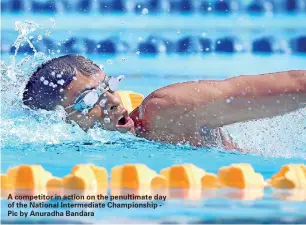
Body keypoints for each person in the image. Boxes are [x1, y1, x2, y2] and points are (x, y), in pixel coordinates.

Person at [22, 54, 306, 150]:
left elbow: (293, 87)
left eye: (108, 87)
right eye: (90, 99)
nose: (112, 100)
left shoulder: (165, 112)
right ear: (60, 118)